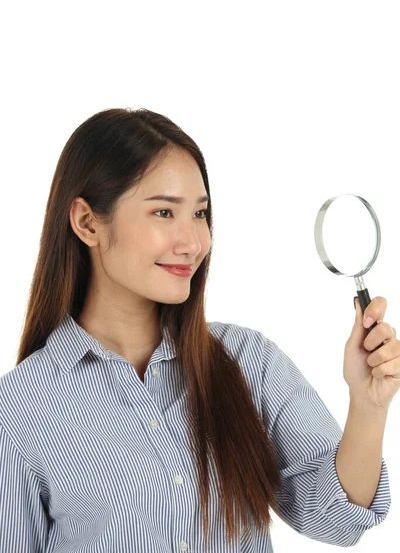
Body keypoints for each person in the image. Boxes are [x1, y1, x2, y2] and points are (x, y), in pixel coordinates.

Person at [0, 108, 392, 552]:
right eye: (164, 212)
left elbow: (338, 520)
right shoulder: (18, 411)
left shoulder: (249, 361)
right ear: (87, 223)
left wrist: (368, 404)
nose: (193, 242)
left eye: (201, 213)